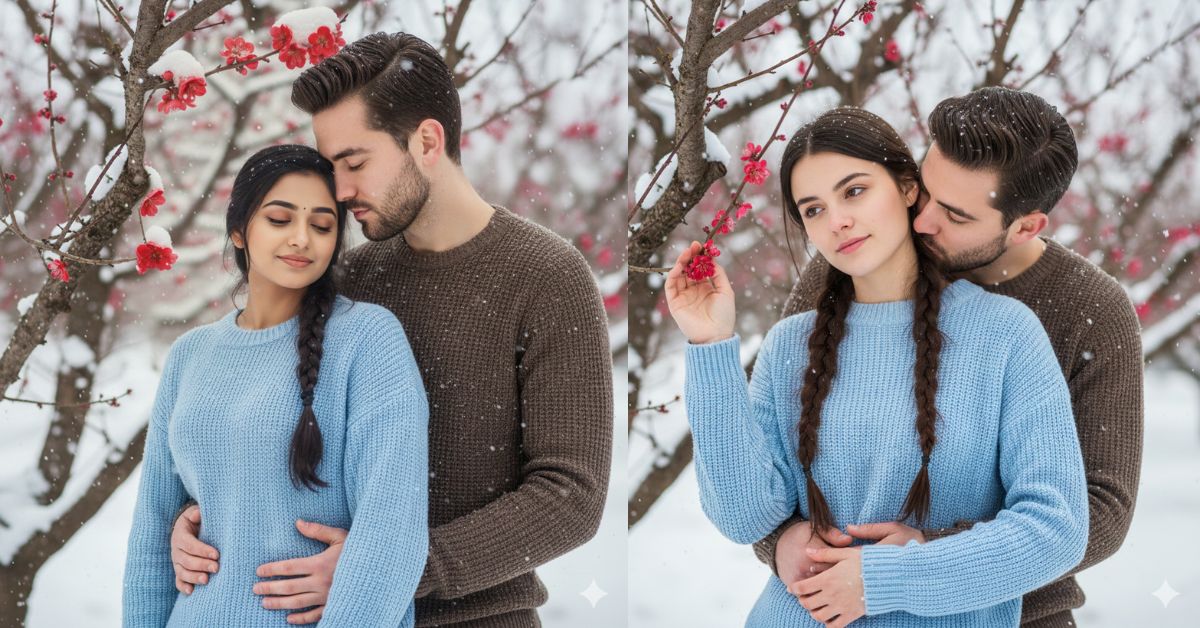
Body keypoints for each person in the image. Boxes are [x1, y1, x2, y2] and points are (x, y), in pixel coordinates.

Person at [166, 33, 613, 627]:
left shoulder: (547, 277)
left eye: (354, 163)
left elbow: (569, 496)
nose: (341, 190)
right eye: (332, 168)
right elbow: (266, 417)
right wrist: (199, 520)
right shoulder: (349, 278)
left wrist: (388, 566)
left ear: (427, 141)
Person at [667, 107, 1088, 627]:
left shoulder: (1005, 335)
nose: (837, 220)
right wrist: (710, 344)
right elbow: (744, 516)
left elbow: (1056, 529)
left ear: (909, 188)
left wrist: (889, 578)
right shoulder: (789, 346)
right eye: (813, 209)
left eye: (855, 191)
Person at [755, 87, 1144, 628]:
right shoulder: (857, 261)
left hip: (1022, 615)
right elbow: (779, 446)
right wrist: (782, 540)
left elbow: (1099, 509)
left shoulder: (1092, 310)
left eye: (955, 216)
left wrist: (925, 558)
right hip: (842, 605)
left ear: (1025, 226)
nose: (921, 222)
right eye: (924, 193)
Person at [122, 144, 429, 626]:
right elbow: (152, 531)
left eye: (322, 225)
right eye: (280, 219)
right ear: (240, 231)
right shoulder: (190, 354)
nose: (302, 239)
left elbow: (391, 524)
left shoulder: (368, 340)